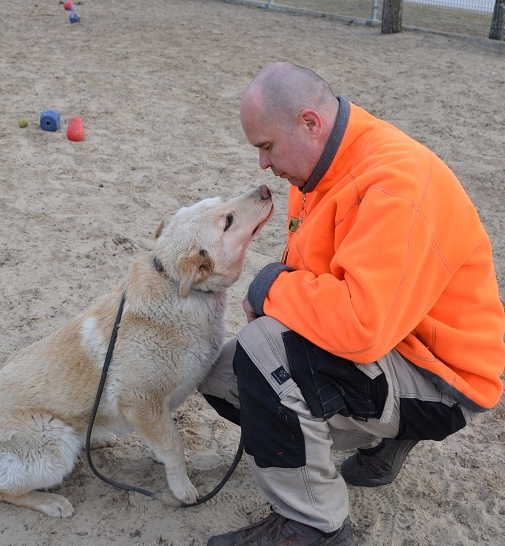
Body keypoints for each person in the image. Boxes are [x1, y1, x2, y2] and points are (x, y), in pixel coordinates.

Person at [199, 62, 505, 546]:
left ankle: (314, 524)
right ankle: (381, 436)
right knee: (218, 372)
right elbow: (316, 284)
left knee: (264, 351)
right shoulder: (319, 168)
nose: (262, 164)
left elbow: (360, 326)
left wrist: (269, 289)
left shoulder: (393, 184)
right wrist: (280, 296)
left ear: (310, 123)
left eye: (267, 146)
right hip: (396, 341)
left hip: (443, 376)